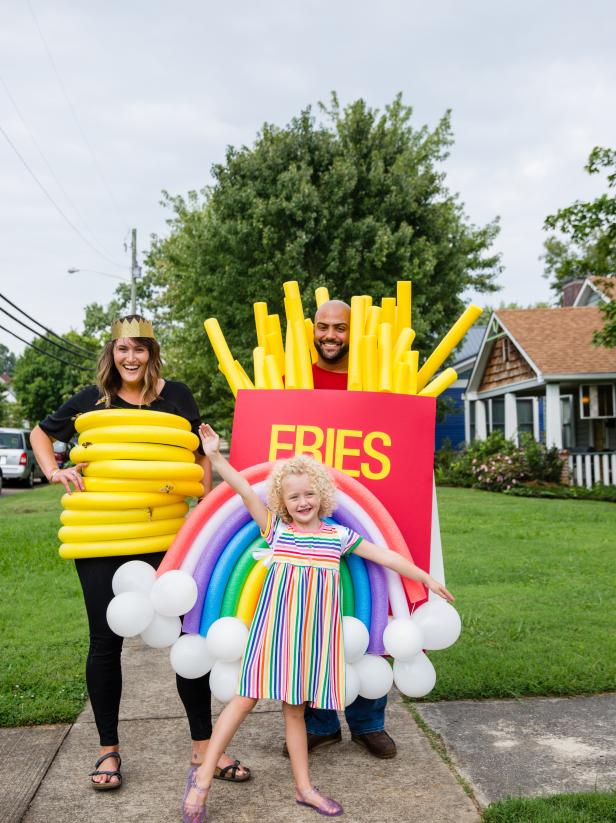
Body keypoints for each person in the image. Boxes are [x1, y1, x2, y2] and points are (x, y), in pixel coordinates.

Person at [182, 425, 454, 822]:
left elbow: (385, 556)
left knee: (295, 711)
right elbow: (243, 490)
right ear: (282, 501)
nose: (303, 501)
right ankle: (202, 777)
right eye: (293, 496)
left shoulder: (338, 537)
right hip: (272, 633)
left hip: (311, 639)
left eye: (309, 493)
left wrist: (425, 577)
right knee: (243, 700)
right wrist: (217, 457)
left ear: (322, 495)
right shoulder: (275, 530)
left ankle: (304, 788)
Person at [30, 315, 250, 790]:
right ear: (111, 353)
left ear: (152, 352)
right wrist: (53, 470)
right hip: (101, 536)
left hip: (166, 536)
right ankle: (108, 751)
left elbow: (195, 453)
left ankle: (204, 747)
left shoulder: (178, 396)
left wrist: (199, 504)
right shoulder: (92, 401)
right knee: (104, 643)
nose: (131, 358)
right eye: (122, 349)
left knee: (186, 636)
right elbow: (41, 433)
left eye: (140, 349)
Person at [301, 299, 399, 759]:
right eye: (323, 327)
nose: (331, 336)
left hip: (369, 512)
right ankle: (320, 723)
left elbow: (401, 442)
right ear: (312, 329)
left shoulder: (379, 377)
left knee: (372, 608)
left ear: (352, 331)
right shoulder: (292, 377)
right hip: (308, 514)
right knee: (312, 618)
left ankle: (368, 720)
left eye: (340, 328)